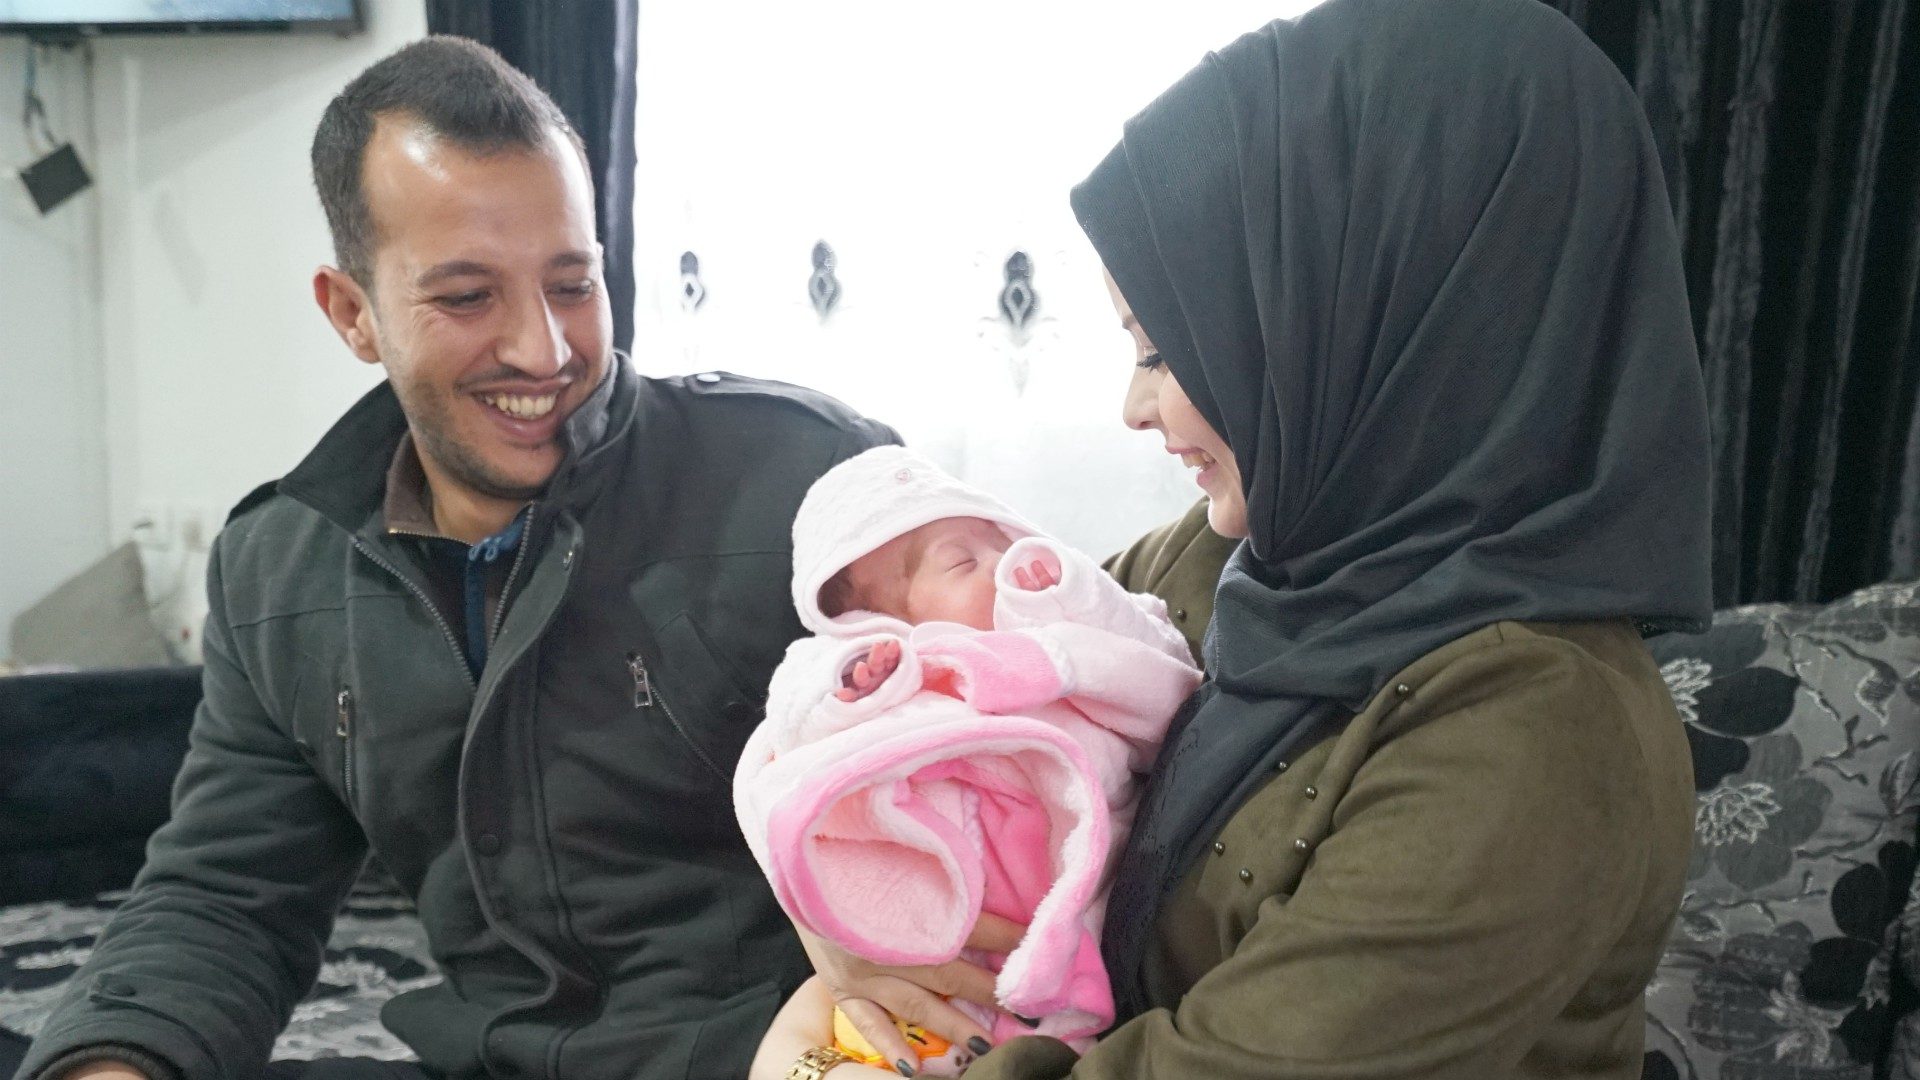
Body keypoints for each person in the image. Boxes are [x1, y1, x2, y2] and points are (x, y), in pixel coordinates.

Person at [754, 0, 1709, 1077]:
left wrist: (810, 1061)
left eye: (1165, 354)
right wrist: (839, 938)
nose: (1133, 408)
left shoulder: (1534, 738)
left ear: (1359, 322)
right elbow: (899, 697)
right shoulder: (1255, 564)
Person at [14, 36, 897, 1080]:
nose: (545, 350)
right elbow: (226, 899)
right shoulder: (280, 571)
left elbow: (1011, 777)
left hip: (798, 1055)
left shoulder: (813, 483)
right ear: (352, 315)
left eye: (572, 284)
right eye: (469, 298)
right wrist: (109, 1063)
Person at [734, 447, 1201, 1074]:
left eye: (1001, 540)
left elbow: (1153, 668)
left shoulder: (1052, 646)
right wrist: (856, 685)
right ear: (882, 616)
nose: (1001, 562)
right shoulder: (868, 661)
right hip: (941, 907)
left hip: (1081, 888)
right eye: (962, 561)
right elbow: (794, 724)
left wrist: (1066, 596)